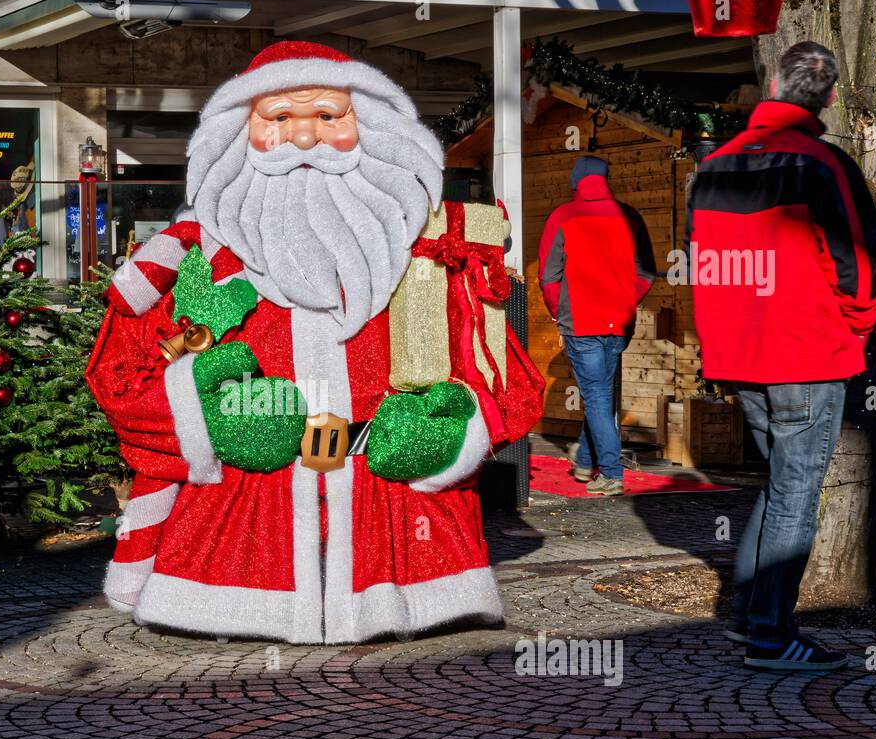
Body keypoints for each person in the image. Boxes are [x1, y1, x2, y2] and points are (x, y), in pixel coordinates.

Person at [85, 41, 542, 643]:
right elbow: (120, 374)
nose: (305, 140)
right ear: (239, 136)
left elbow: (496, 369)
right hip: (237, 535)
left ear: (372, 129)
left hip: (400, 536)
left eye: (329, 117)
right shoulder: (192, 259)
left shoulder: (429, 251)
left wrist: (452, 430)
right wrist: (207, 415)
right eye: (278, 119)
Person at [689, 41, 876, 671]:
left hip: (738, 352)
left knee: (782, 485)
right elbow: (857, 266)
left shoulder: (713, 166)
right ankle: (770, 633)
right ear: (829, 96)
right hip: (805, 351)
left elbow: (703, 263)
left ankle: (752, 620)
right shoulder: (822, 162)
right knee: (797, 491)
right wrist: (858, 329)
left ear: (772, 81)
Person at [537, 155, 655, 496]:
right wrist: (625, 300)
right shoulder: (629, 216)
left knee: (598, 397)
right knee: (599, 395)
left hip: (581, 322)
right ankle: (586, 462)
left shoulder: (563, 216)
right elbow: (645, 272)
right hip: (619, 322)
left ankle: (612, 473)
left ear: (576, 181)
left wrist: (560, 312)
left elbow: (549, 276)